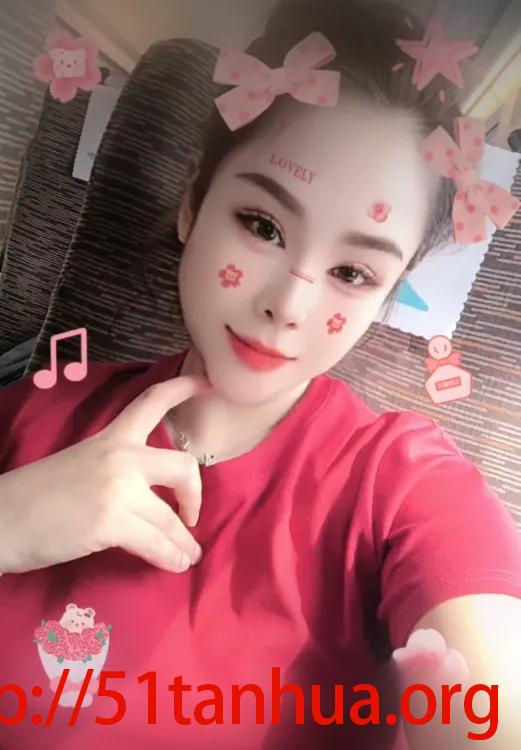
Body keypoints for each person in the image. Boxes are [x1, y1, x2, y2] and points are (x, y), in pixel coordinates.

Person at [1, 1, 521, 748]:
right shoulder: (42, 404)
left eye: (352, 272)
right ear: (193, 205)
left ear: (386, 296)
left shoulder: (401, 487)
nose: (287, 306)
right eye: (263, 226)